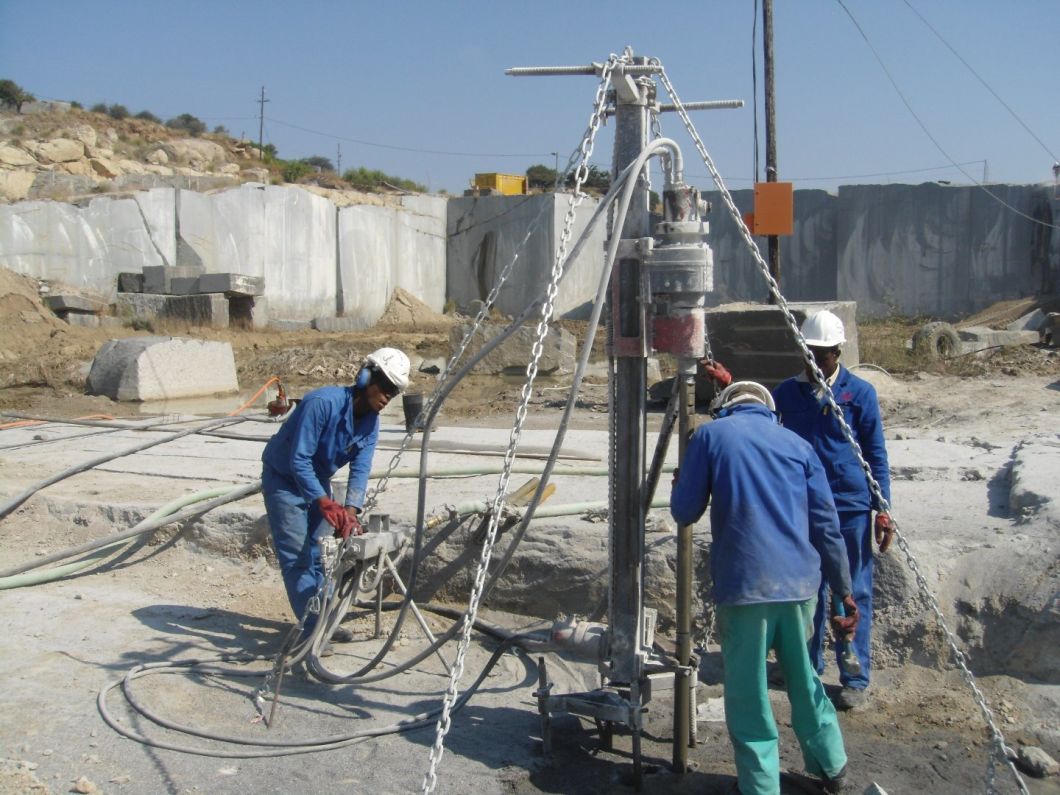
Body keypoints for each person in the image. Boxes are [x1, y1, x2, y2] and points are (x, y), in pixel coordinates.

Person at [671, 381, 858, 795]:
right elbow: (826, 526)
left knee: (750, 693)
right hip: (799, 587)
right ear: (768, 410)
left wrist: (679, 481)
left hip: (745, 588)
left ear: (724, 408)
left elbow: (684, 511)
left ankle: (759, 787)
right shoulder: (797, 444)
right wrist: (845, 590)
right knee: (805, 681)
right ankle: (832, 767)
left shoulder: (709, 436)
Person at [772, 310, 893, 711]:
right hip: (802, 507)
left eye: (823, 354)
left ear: (839, 351)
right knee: (807, 592)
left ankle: (854, 675)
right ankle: (806, 668)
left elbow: (875, 454)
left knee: (852, 590)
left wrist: (882, 509)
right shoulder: (787, 394)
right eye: (810, 352)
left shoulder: (859, 395)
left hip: (849, 507)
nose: (816, 361)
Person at [261, 347, 411, 642]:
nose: (386, 398)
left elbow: (361, 469)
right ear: (367, 377)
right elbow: (298, 460)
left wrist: (350, 513)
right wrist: (326, 503)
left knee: (319, 556)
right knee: (298, 558)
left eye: (393, 394)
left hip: (317, 482)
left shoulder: (370, 423)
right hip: (284, 480)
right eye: (385, 388)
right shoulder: (321, 403)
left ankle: (323, 623)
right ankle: (313, 632)